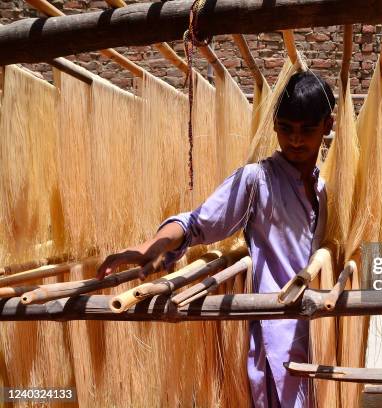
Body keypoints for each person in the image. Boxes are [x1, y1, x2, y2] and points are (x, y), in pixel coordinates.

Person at [97, 70, 336, 407]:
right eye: (286, 129)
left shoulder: (324, 189)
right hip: (275, 342)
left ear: (328, 125)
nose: (295, 141)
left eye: (307, 130)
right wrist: (155, 244)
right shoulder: (258, 180)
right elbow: (197, 223)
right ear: (275, 127)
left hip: (317, 337)